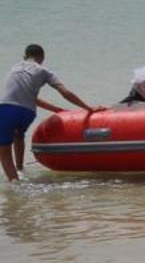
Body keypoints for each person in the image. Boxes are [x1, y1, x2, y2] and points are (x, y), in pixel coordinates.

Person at [2, 45, 92, 181]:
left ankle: (15, 184)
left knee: (4, 153)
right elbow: (64, 92)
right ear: (42, 57)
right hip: (27, 113)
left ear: (24, 56)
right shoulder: (44, 70)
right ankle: (20, 168)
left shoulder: (14, 68)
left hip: (6, 109)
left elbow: (18, 95)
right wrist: (88, 108)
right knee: (18, 134)